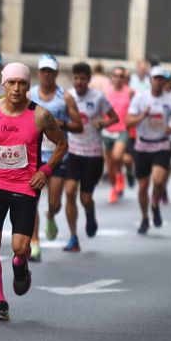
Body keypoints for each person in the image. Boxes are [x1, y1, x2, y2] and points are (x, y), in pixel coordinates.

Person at [0, 62, 70, 321]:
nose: (16, 88)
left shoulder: (40, 115)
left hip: (25, 186)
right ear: (3, 84)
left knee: (19, 247)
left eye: (22, 83)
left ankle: (20, 265)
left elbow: (61, 143)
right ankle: (0, 301)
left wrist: (45, 171)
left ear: (28, 86)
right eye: (11, 82)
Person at [62, 62, 117, 249]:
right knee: (69, 191)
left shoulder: (98, 97)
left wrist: (102, 123)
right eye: (76, 78)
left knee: (85, 198)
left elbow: (115, 117)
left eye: (83, 78)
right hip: (73, 151)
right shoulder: (67, 96)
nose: (79, 82)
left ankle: (90, 213)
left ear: (89, 79)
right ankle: (73, 236)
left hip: (93, 155)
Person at [126, 67, 171, 235]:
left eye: (161, 79)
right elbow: (128, 123)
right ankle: (145, 218)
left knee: (158, 181)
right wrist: (142, 116)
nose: (158, 81)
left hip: (162, 144)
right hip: (143, 145)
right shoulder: (140, 98)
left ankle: (155, 203)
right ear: (150, 80)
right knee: (143, 187)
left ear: (165, 82)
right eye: (155, 78)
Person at [27, 55, 75, 247]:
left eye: (50, 71)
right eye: (43, 71)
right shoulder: (29, 95)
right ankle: (35, 241)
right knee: (31, 201)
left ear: (56, 73)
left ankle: (51, 215)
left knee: (54, 203)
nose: (46, 74)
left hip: (57, 155)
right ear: (39, 73)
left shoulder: (65, 97)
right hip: (34, 155)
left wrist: (62, 124)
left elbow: (78, 125)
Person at [102, 65, 132, 203]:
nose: (119, 79)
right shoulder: (106, 92)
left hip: (122, 130)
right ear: (112, 77)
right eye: (116, 75)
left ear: (125, 78)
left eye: (121, 76)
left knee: (116, 156)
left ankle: (123, 174)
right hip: (107, 131)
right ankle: (115, 187)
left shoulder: (130, 92)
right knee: (110, 164)